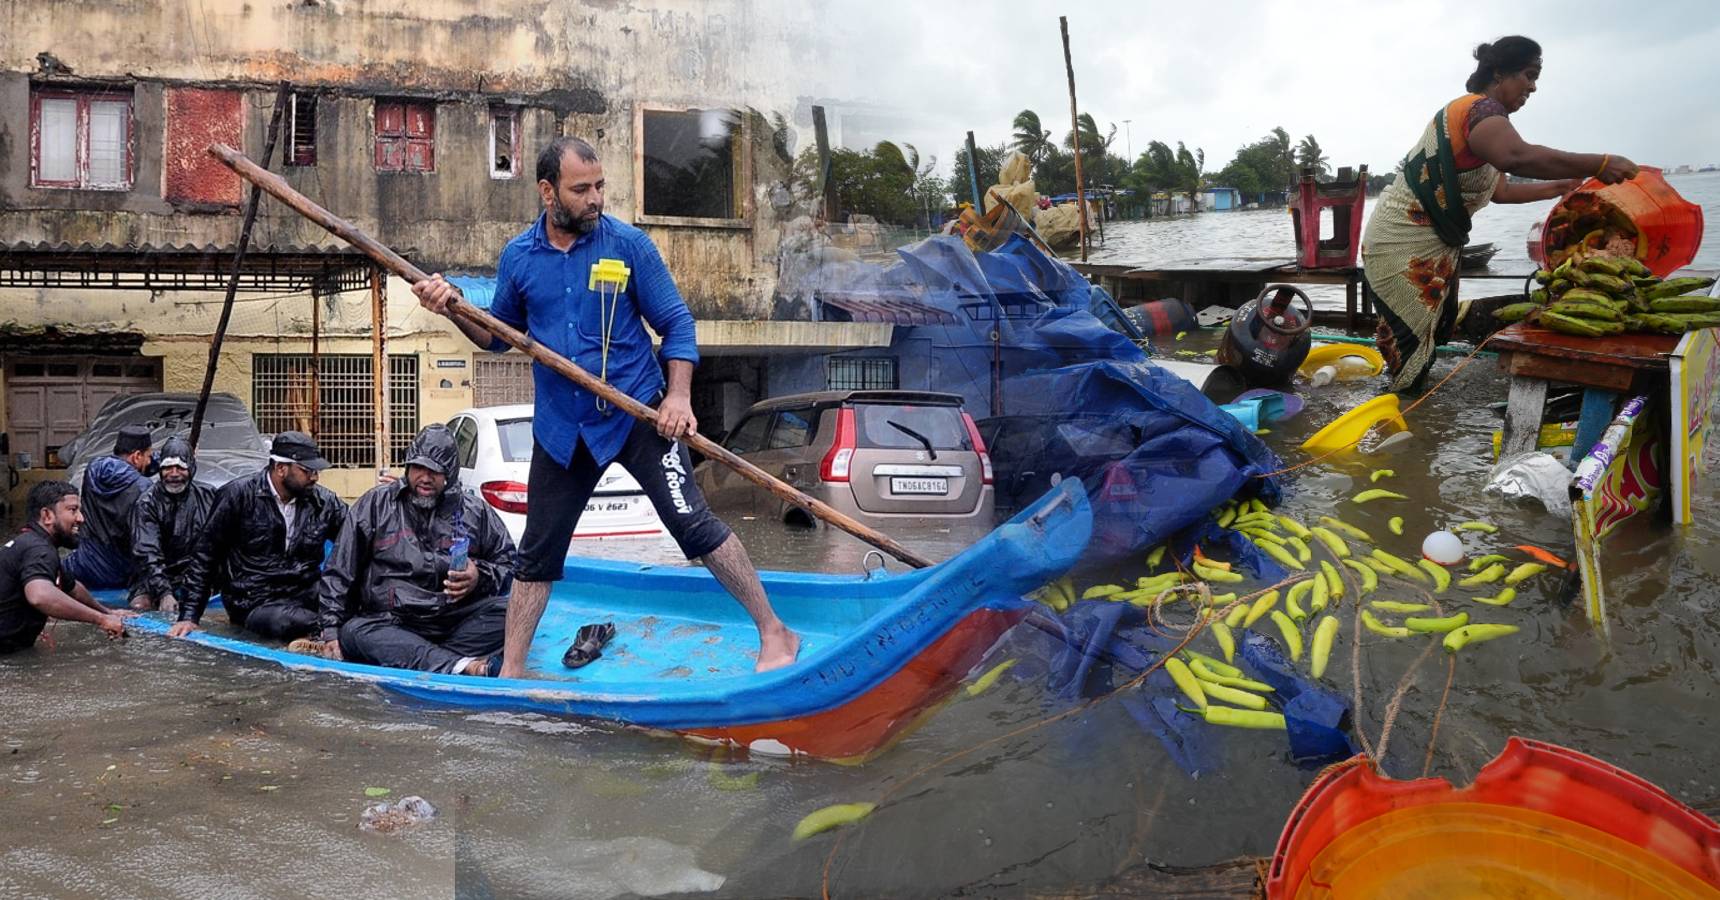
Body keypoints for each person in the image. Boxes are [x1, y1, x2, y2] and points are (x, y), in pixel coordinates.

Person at [413, 135, 800, 678]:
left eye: (599, 186)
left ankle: (775, 632)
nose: (595, 199)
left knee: (695, 527)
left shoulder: (628, 245)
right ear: (548, 192)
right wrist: (451, 306)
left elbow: (677, 325)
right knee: (537, 555)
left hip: (637, 415)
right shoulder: (519, 257)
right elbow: (497, 336)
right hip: (562, 431)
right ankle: (514, 672)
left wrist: (680, 397)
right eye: (581, 189)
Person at [1363, 35, 1640, 392]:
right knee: (1409, 345)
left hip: (1431, 247)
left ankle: (1416, 418)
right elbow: (1519, 157)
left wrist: (1561, 188)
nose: (1534, 87)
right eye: (1529, 74)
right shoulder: (1478, 111)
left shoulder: (1489, 125)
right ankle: (1397, 422)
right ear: (1499, 73)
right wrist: (1600, 162)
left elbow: (1502, 192)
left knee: (1427, 336)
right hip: (1399, 243)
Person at [311, 424, 517, 675]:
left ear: (449, 474)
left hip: (452, 620)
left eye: (435, 470)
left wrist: (480, 577)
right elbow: (340, 570)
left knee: (513, 612)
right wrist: (330, 629)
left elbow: (510, 567)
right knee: (355, 633)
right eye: (418, 468)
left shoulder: (476, 512)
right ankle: (459, 664)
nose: (425, 477)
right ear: (408, 467)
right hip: (393, 622)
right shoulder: (377, 504)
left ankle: (426, 657)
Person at [171, 432, 346, 641]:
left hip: (305, 593)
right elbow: (206, 556)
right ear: (281, 468)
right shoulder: (237, 495)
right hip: (254, 600)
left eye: (316, 471)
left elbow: (357, 540)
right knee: (289, 622)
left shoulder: (324, 502)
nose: (314, 477)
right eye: (307, 471)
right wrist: (189, 616)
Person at [0, 481, 129, 654]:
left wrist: (108, 612)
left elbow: (72, 587)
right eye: (72, 510)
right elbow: (40, 596)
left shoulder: (29, 543)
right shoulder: (38, 549)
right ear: (47, 515)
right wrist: (101, 619)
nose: (81, 518)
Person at [129, 436, 216, 614]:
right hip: (156, 574)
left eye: (180, 468)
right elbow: (147, 553)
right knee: (140, 605)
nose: (174, 474)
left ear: (191, 468)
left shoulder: (209, 495)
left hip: (197, 572)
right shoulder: (147, 503)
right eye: (168, 468)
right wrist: (164, 592)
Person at [62, 424, 154, 592]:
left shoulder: (93, 469)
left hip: (83, 567)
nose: (149, 462)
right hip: (120, 574)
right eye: (149, 456)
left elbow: (130, 471)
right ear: (137, 456)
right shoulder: (145, 488)